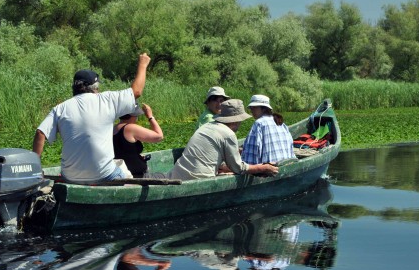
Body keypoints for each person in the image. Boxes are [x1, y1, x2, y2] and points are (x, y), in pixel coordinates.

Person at [32, 53, 151, 184]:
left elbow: (40, 133)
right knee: (125, 174)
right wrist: (142, 64)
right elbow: (137, 91)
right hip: (104, 175)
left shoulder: (60, 108)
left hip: (70, 176)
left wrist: (36, 168)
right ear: (95, 87)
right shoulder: (106, 100)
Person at [168, 99, 279, 181]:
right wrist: (263, 168)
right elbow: (238, 168)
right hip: (198, 179)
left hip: (177, 174)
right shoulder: (228, 134)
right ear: (236, 121)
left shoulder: (207, 126)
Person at [241, 94, 295, 164]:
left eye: (254, 108)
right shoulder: (282, 124)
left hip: (269, 170)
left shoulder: (259, 124)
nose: (251, 110)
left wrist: (246, 168)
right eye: (251, 108)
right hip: (285, 166)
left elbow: (252, 156)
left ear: (263, 109)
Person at [113, 103, 163, 178]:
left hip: (121, 173)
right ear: (133, 116)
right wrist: (150, 117)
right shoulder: (130, 128)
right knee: (164, 176)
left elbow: (123, 152)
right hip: (137, 175)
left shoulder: (113, 128)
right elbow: (159, 136)